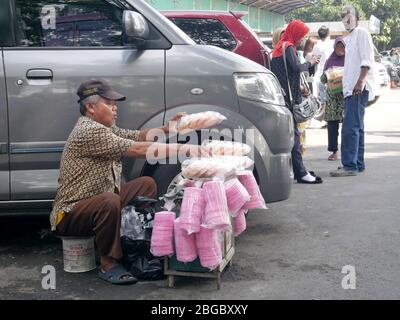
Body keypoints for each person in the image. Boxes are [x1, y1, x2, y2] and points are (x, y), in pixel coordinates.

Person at [51, 79, 209, 284]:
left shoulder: (105, 127)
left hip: (97, 206)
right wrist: (186, 148)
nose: (115, 108)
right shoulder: (88, 131)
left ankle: (130, 243)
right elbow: (138, 150)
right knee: (109, 200)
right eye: (109, 104)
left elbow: (139, 137)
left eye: (115, 104)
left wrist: (169, 128)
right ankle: (109, 263)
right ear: (90, 107)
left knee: (146, 185)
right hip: (70, 215)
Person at [271, 20, 323, 184]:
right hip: (288, 99)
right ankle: (301, 173)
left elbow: (288, 74)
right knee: (294, 136)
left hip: (284, 96)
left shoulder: (281, 47)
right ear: (295, 33)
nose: (302, 39)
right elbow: (297, 68)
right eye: (302, 35)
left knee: (293, 135)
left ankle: (298, 170)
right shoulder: (288, 47)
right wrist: (311, 63)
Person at [330, 5, 377, 177]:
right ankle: (357, 163)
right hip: (350, 89)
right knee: (357, 127)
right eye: (343, 16)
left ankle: (349, 165)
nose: (345, 19)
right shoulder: (349, 37)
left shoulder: (361, 33)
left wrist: (361, 81)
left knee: (350, 128)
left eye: (348, 16)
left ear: (356, 17)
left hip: (358, 88)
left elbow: (367, 59)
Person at [320, 37, 346, 161]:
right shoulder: (330, 60)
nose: (340, 49)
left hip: (346, 97)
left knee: (347, 126)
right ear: (334, 48)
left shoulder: (349, 60)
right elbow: (322, 79)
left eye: (342, 47)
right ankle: (334, 152)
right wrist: (330, 74)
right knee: (332, 126)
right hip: (332, 99)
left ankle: (347, 152)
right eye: (338, 47)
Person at [312, 26, 334, 101]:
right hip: (332, 71)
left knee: (322, 95)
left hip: (320, 72)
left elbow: (314, 59)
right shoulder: (332, 44)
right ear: (328, 33)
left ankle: (323, 107)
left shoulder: (316, 46)